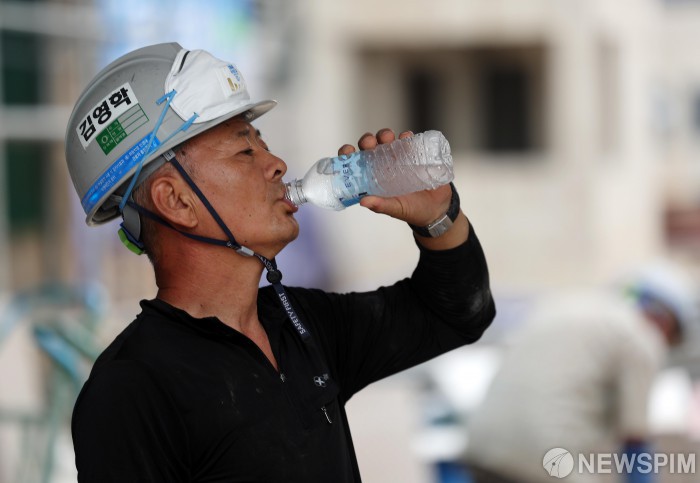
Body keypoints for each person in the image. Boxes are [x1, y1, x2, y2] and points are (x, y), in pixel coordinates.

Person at [64, 43, 496, 482]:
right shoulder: (133, 388)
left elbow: (457, 312)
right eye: (244, 152)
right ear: (176, 201)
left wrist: (438, 218)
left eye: (262, 144)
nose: (277, 165)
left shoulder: (300, 326)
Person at [462, 263, 695, 483]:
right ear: (666, 320)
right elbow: (635, 439)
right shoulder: (642, 336)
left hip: (481, 448)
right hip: (543, 459)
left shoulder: (566, 304)